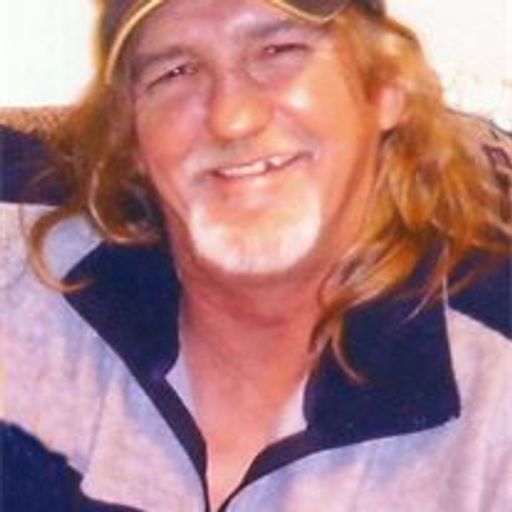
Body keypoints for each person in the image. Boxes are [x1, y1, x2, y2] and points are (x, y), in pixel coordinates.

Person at [1, 0, 511, 511]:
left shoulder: (492, 401)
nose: (233, 119)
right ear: (130, 137)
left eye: (278, 50)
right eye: (177, 72)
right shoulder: (22, 278)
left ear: (385, 88)